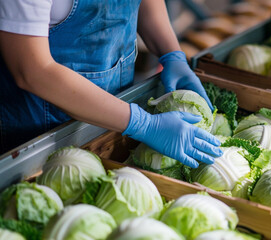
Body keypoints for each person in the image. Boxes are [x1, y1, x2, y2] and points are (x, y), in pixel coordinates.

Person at [0, 0, 223, 167]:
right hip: (37, 132)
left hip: (117, 114)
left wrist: (171, 53)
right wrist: (144, 124)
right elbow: (33, 70)